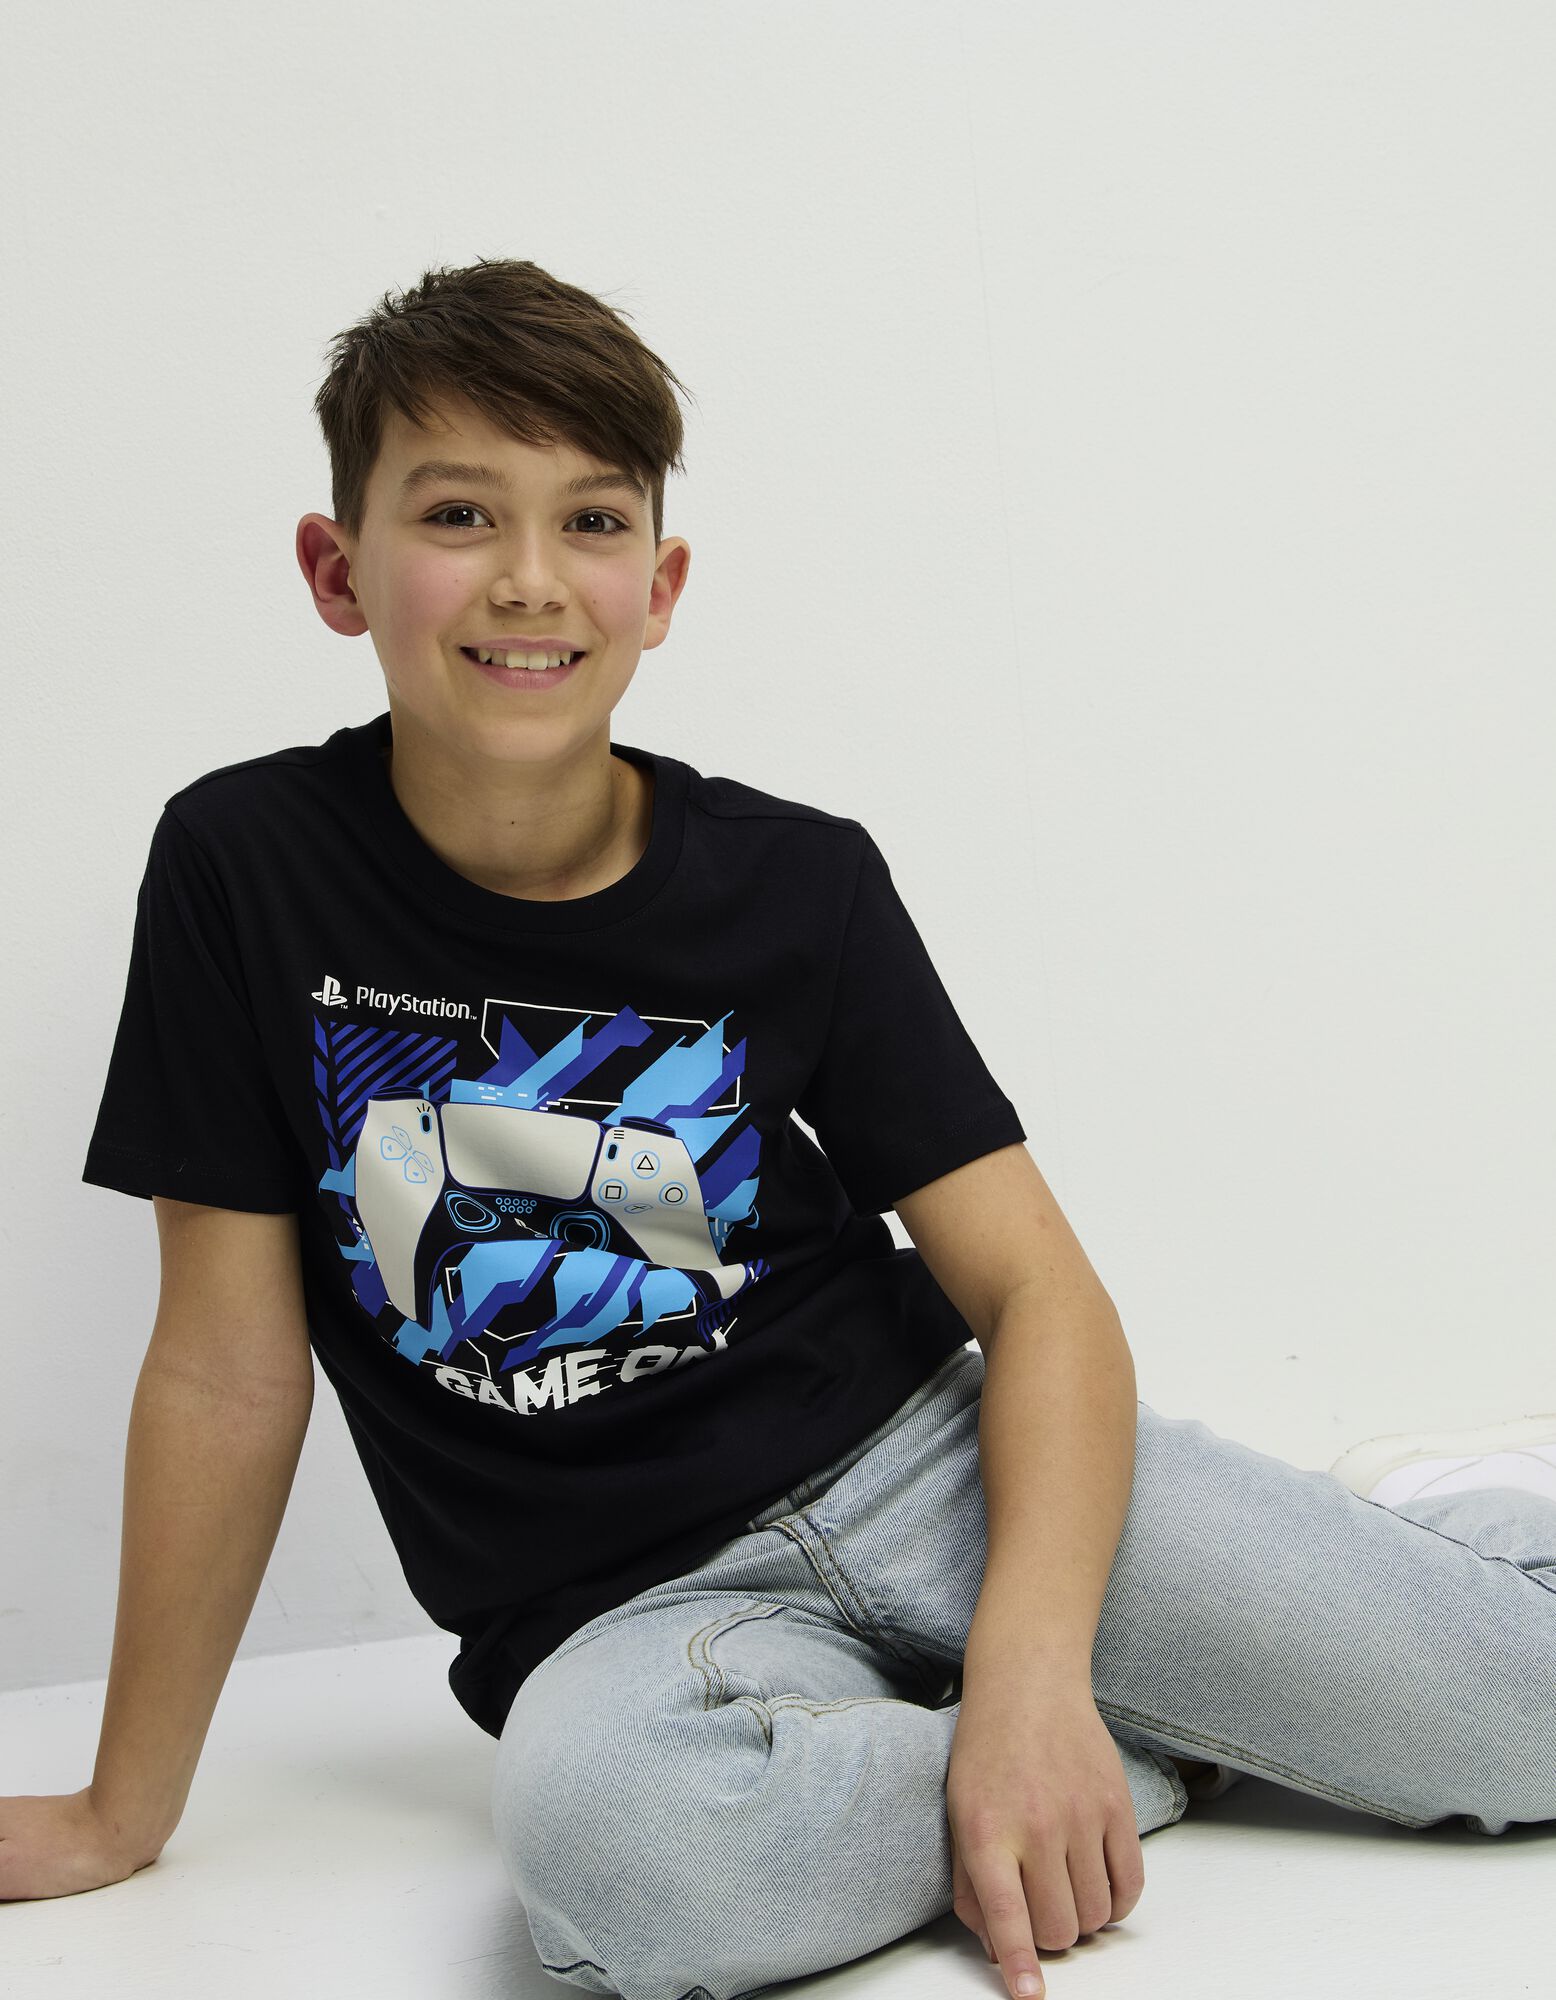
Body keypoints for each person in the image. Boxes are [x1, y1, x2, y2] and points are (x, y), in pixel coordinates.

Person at [3, 257, 1554, 2000]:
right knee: (634, 1873)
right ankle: (1130, 1760)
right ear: (336, 568)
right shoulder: (242, 869)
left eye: (593, 521)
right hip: (626, 1622)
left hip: (931, 1467)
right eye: (457, 513)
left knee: (1537, 1731)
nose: (529, 578)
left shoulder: (796, 880)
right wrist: (123, 1810)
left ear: (658, 587)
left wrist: (1029, 1670)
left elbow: (1039, 1296)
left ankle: (1418, 1542)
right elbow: (225, 1372)